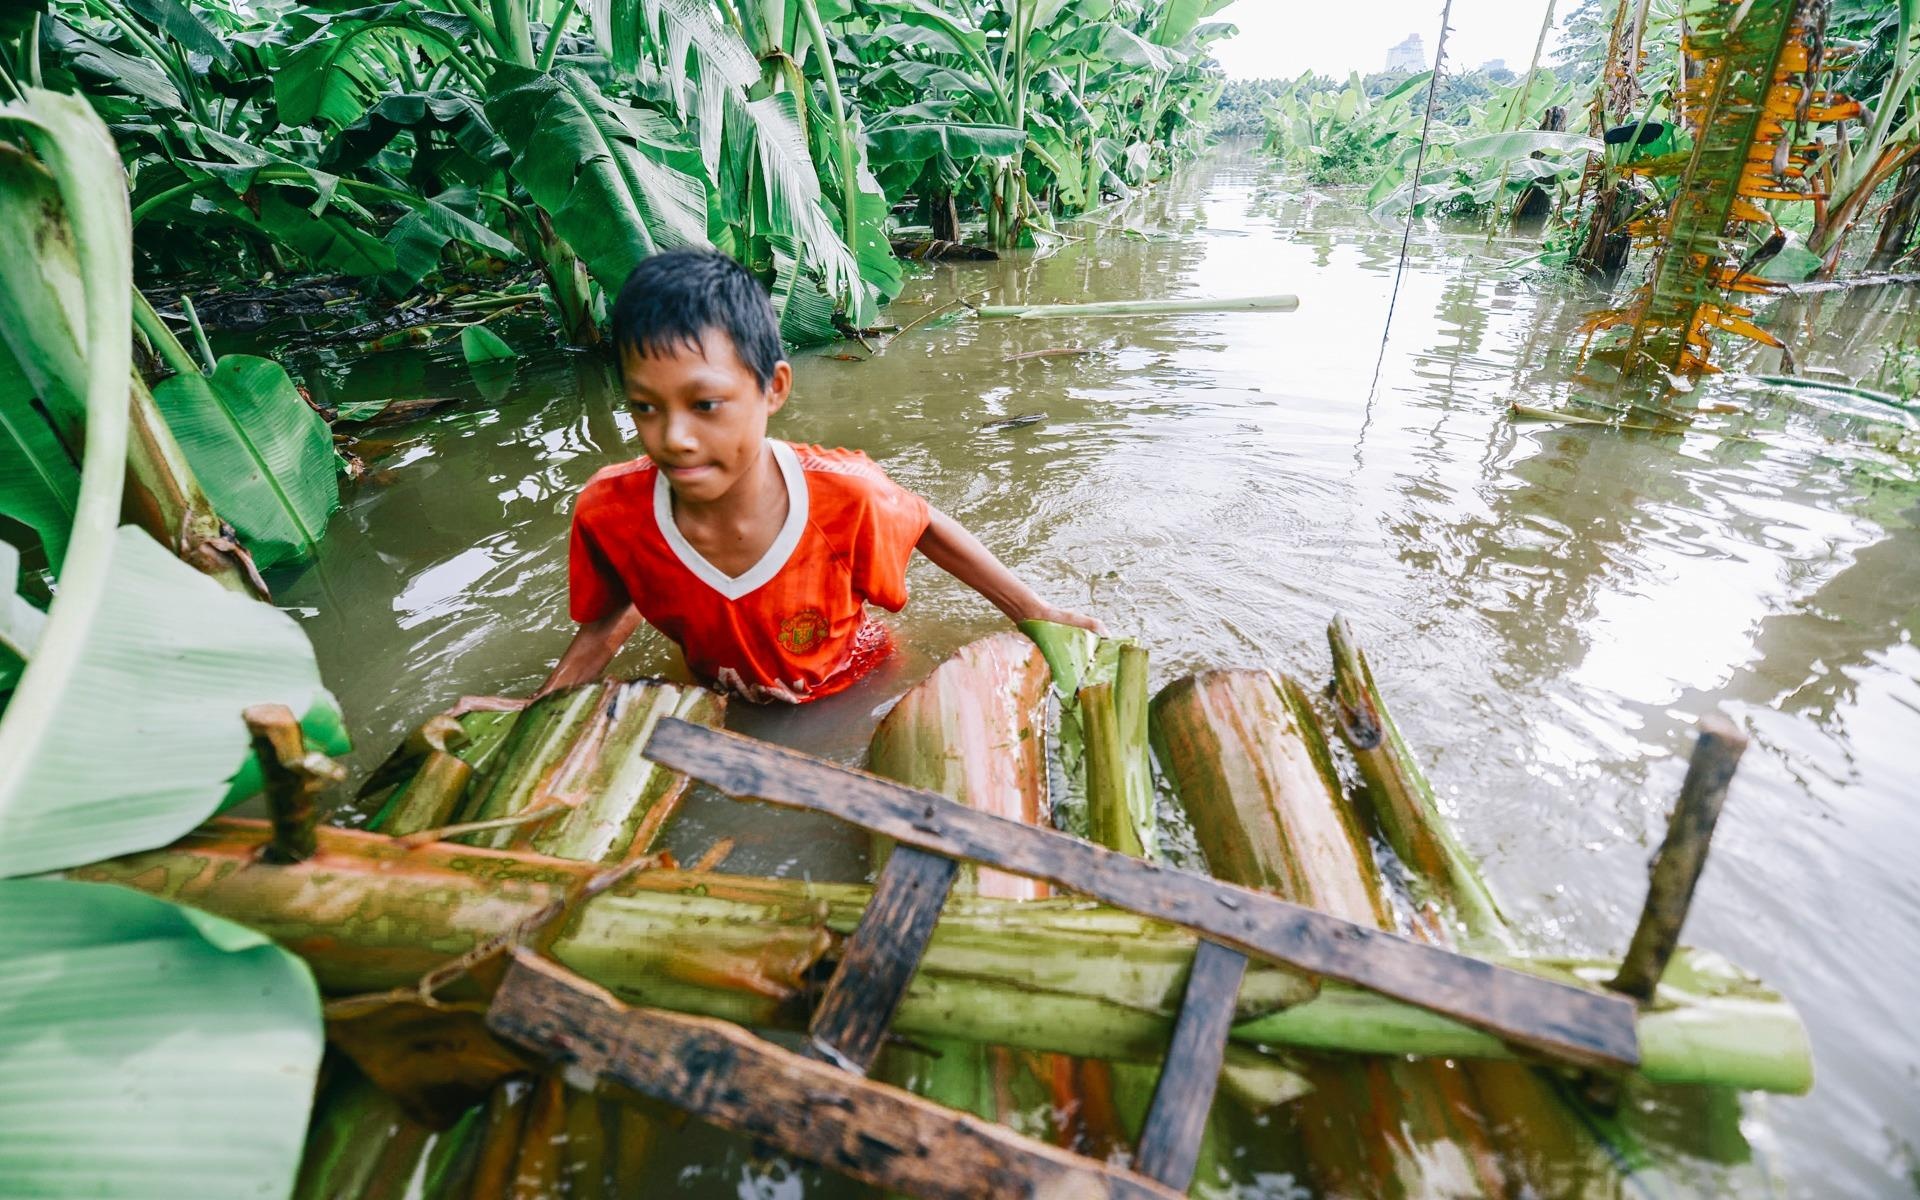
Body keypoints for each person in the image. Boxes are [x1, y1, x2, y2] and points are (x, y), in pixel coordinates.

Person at [541, 249, 1103, 704]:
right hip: (720, 697)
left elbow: (925, 523)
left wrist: (1037, 613)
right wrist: (543, 706)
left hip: (853, 684)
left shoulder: (844, 495)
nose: (674, 437)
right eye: (645, 407)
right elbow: (612, 610)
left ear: (773, 389)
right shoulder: (610, 511)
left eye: (706, 404)